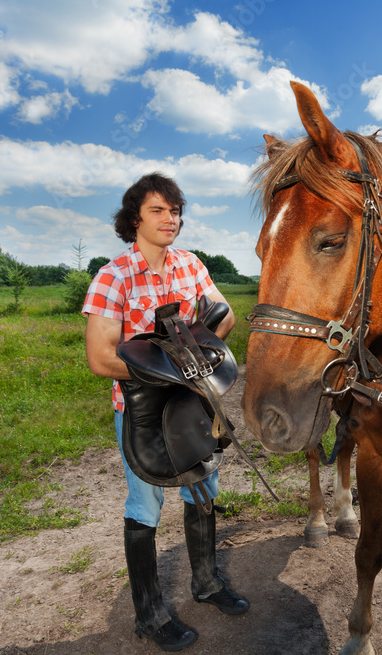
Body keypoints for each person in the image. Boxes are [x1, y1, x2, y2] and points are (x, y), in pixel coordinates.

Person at [82, 172, 248, 652]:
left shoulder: (191, 265)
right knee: (146, 502)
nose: (170, 219)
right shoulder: (114, 275)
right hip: (142, 409)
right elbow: (100, 357)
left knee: (204, 485)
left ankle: (207, 583)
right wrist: (169, 371)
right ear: (135, 217)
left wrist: (197, 352)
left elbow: (224, 315)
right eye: (158, 210)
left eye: (175, 211)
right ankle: (150, 614)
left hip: (192, 402)